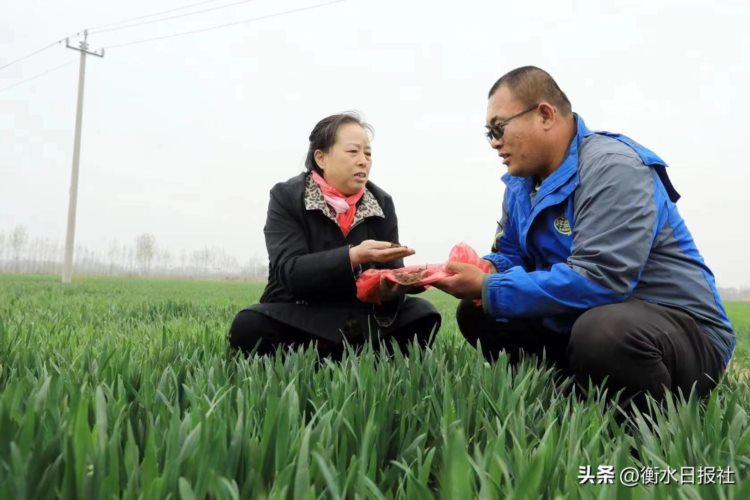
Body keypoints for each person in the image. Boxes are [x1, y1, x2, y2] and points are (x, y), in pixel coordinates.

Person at [433, 66, 735, 409]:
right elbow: (513, 254)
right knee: (479, 312)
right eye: (488, 133)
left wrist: (490, 287)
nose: (494, 143)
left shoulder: (613, 168)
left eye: (499, 128)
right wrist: (484, 269)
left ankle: (648, 433)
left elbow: (601, 280)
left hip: (679, 333)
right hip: (585, 319)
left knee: (602, 333)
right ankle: (565, 399)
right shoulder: (521, 184)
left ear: (544, 114)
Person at [229, 113, 441, 357]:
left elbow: (392, 272)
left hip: (359, 316)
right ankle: (347, 354)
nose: (363, 161)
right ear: (321, 158)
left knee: (423, 314)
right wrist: (354, 256)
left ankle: (335, 353)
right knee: (249, 325)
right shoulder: (287, 196)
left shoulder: (382, 202)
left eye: (368, 154)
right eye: (353, 152)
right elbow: (290, 271)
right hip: (302, 313)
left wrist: (396, 285)